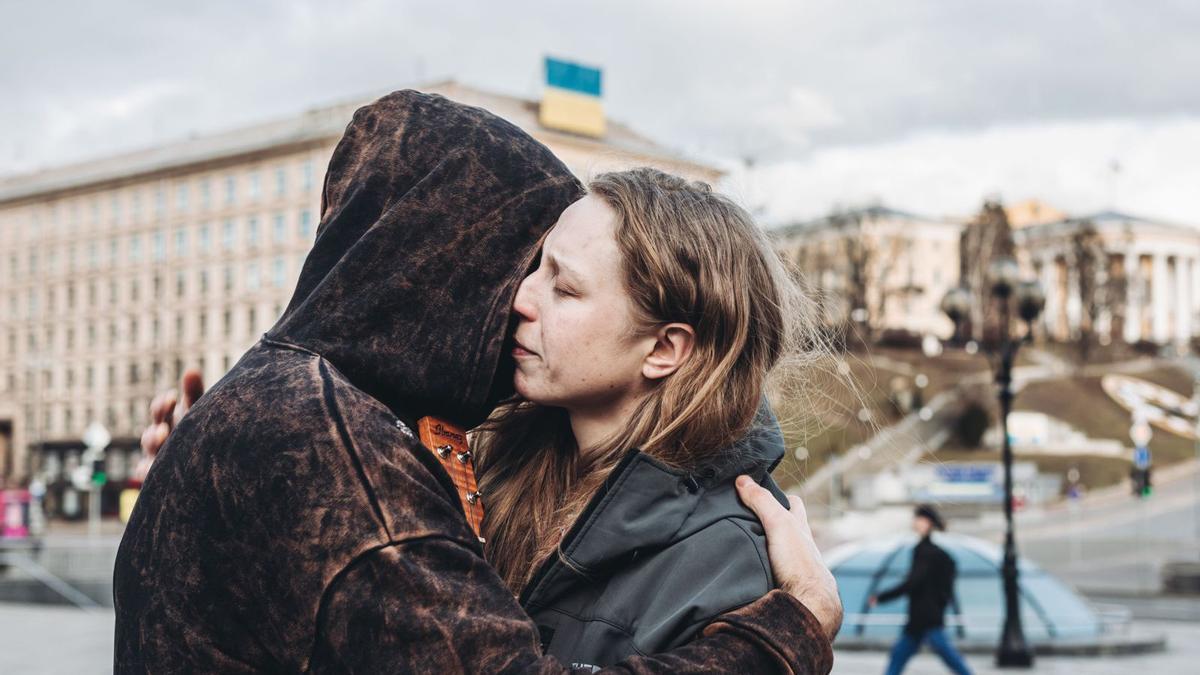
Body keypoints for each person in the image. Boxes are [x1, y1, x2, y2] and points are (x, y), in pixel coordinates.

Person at [116, 90, 840, 673]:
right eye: (531, 269)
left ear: (665, 348)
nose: (520, 298)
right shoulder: (460, 461)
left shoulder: (726, 547)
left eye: (563, 286)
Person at [869, 504, 971, 675]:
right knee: (900, 655)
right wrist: (942, 598)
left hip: (926, 617)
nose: (915, 522)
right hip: (925, 616)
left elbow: (911, 583)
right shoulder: (936, 553)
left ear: (927, 522)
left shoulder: (925, 552)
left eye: (918, 519)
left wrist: (881, 597)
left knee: (945, 654)